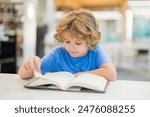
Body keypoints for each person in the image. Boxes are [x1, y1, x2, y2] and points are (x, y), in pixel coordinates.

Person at [18, 9, 117, 80]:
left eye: (78, 43)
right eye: (67, 41)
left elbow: (111, 73)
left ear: (90, 41)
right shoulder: (57, 55)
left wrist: (80, 75)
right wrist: (29, 65)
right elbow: (23, 74)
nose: (71, 47)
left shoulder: (96, 51)